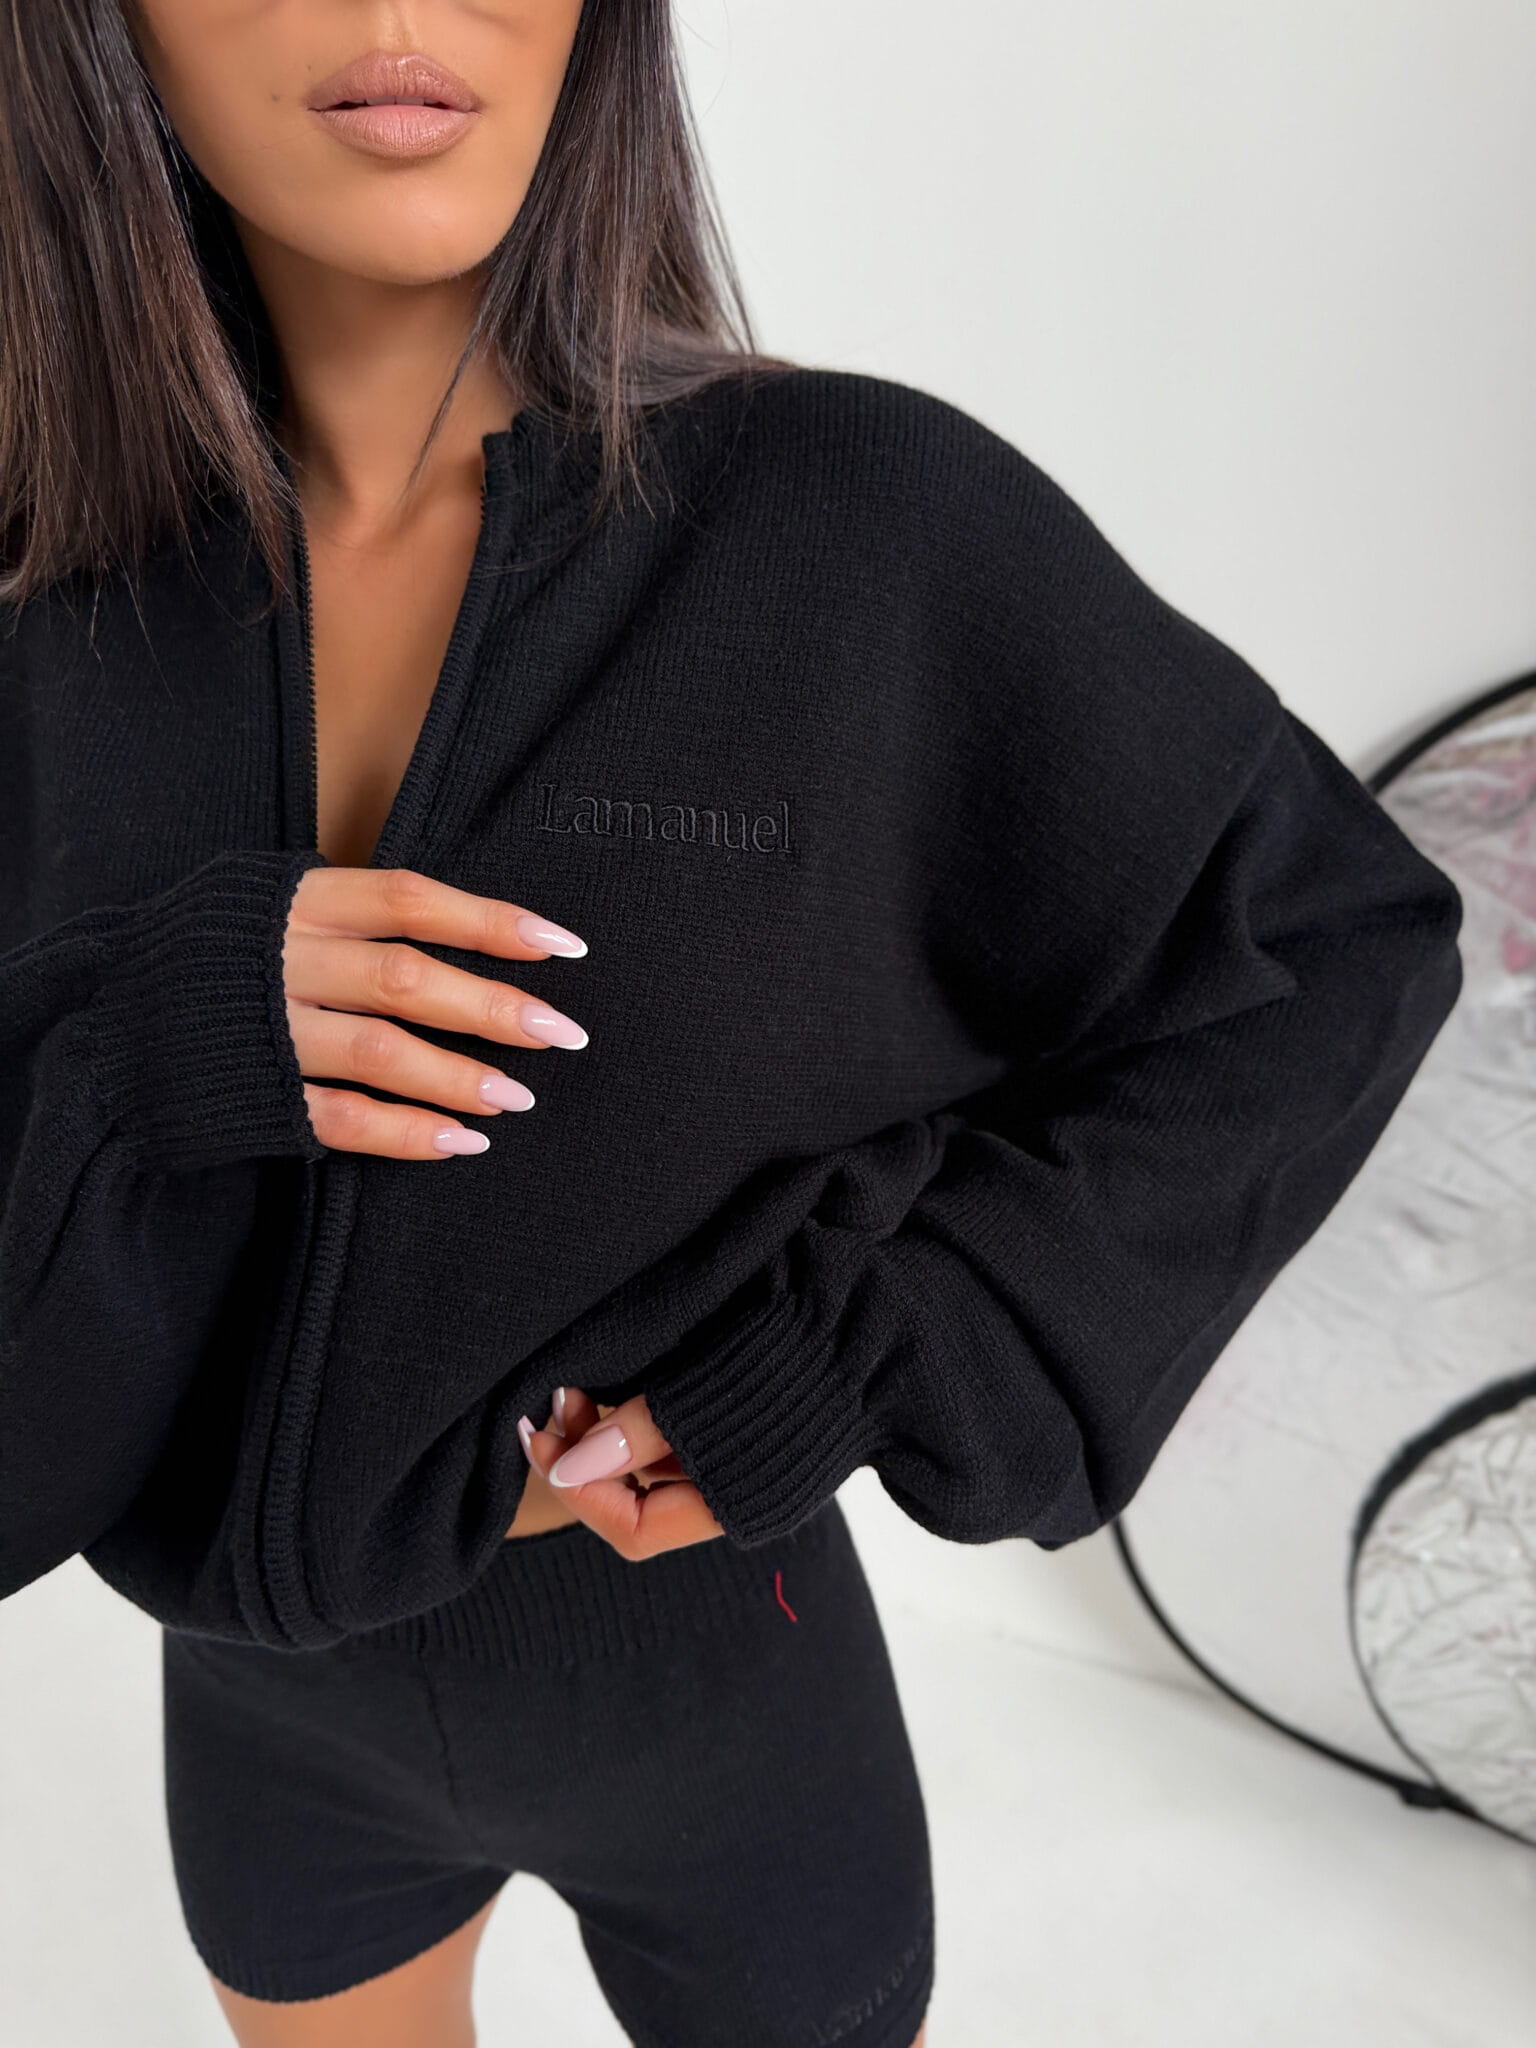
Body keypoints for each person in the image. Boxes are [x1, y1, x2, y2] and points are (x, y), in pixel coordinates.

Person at [0, 3, 1464, 2044]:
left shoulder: (854, 521)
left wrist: (876, 1346)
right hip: (263, 1737)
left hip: (717, 1699)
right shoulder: (52, 611)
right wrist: (140, 1043)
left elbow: (1325, 942)